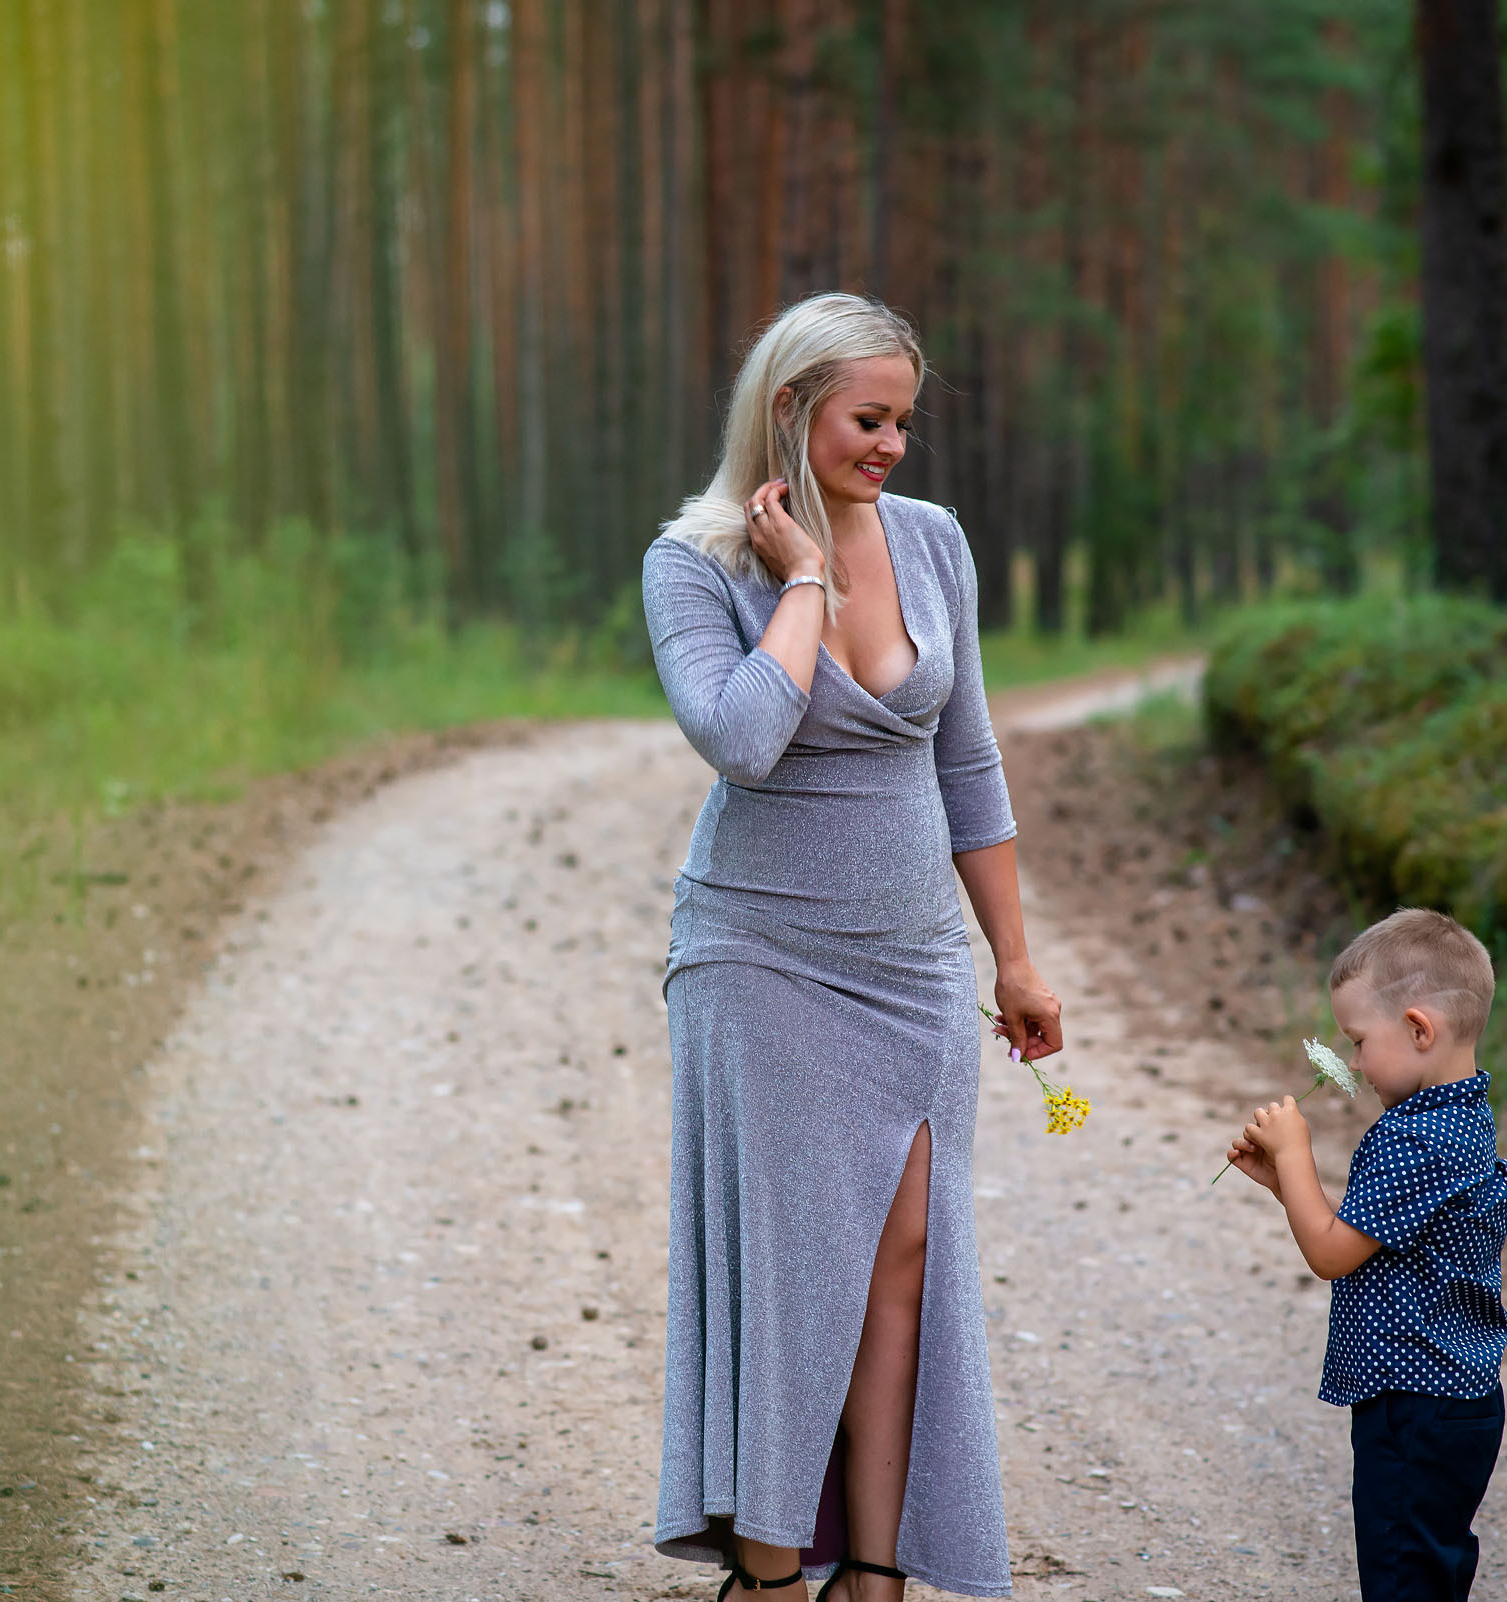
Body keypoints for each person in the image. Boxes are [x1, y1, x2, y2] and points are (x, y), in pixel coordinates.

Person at [641, 292, 1063, 1602]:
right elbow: (742, 738)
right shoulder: (695, 559)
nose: (890, 446)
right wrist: (808, 577)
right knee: (792, 1267)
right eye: (867, 419)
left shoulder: (935, 543)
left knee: (903, 1260)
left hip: (916, 966)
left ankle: (873, 1568)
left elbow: (969, 756)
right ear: (788, 410)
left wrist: (1016, 956)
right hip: (760, 958)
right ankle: (769, 1568)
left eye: (902, 422)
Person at [1223, 907, 1507, 1602]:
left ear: (1419, 1029)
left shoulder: (1413, 1139)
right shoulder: (1460, 1119)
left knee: (1399, 1579)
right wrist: (1285, 1186)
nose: (1352, 1062)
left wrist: (1296, 1154)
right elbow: (1365, 1238)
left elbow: (1331, 1255)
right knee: (1429, 1572)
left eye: (1358, 1040)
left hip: (1414, 1402)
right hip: (1455, 1400)